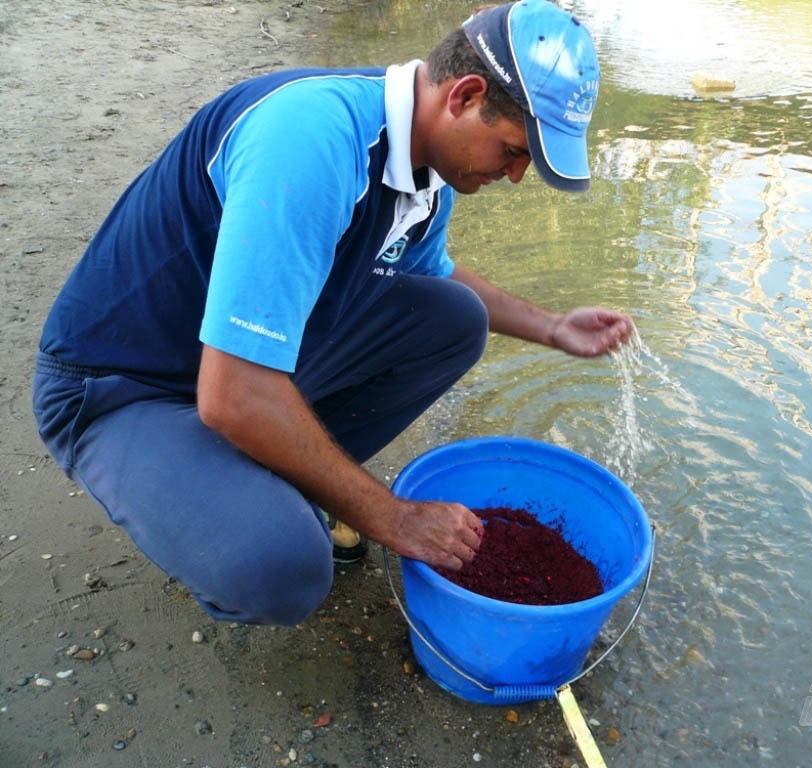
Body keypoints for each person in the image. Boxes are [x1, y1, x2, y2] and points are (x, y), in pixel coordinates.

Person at [32, 0, 632, 627]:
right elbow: (233, 396)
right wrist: (392, 516)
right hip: (121, 388)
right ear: (465, 95)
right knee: (282, 567)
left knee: (454, 321)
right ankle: (236, 497)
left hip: (233, 367)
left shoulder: (424, 166)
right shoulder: (312, 138)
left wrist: (553, 327)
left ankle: (267, 481)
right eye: (513, 150)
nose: (513, 176)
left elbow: (435, 276)